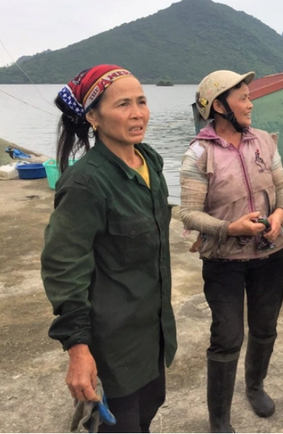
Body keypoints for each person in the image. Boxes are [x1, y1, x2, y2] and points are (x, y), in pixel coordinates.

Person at [41, 64, 177, 432]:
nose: (137, 114)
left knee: (149, 409)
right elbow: (63, 266)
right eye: (123, 105)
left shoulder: (150, 161)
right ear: (93, 117)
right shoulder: (86, 184)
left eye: (142, 102)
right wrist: (78, 350)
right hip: (112, 344)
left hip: (153, 332)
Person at [179, 70, 283, 433]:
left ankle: (255, 386)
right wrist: (230, 228)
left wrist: (277, 214)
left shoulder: (263, 142)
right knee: (227, 337)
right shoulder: (199, 153)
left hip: (270, 255)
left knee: (265, 327)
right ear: (219, 106)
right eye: (242, 97)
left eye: (249, 96)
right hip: (223, 261)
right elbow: (188, 213)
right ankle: (220, 420)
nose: (250, 103)